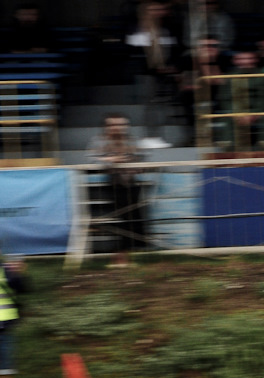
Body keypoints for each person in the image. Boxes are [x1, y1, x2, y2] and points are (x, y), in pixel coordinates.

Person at [86, 114, 148, 264]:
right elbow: (91, 157)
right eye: (113, 124)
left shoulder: (132, 140)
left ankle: (132, 250)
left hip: (132, 182)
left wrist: (131, 162)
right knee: (121, 217)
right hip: (113, 183)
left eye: (121, 124)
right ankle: (121, 252)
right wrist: (109, 160)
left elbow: (141, 156)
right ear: (107, 127)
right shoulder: (99, 140)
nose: (117, 127)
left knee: (135, 216)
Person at [126, 0, 179, 149]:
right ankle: (149, 136)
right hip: (147, 75)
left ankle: (156, 135)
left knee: (159, 105)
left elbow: (171, 51)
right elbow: (134, 56)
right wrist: (155, 69)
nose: (157, 12)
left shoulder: (165, 29)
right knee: (150, 105)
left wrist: (169, 67)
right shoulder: (137, 31)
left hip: (162, 74)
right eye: (153, 9)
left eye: (159, 9)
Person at [219, 48, 264, 150]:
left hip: (258, 112)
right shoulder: (229, 77)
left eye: (249, 59)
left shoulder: (263, 76)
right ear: (235, 61)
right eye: (242, 59)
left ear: (255, 60)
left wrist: (256, 113)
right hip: (236, 112)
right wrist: (236, 114)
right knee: (225, 118)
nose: (246, 62)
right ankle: (229, 150)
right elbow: (224, 98)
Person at [0, 257, 27, 378]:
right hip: (5, 328)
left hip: (4, 328)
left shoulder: (7, 270)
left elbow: (23, 288)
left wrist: (19, 273)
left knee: (5, 370)